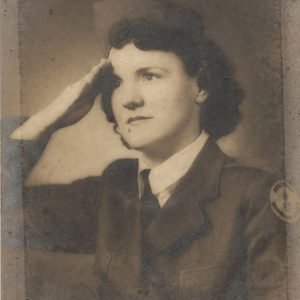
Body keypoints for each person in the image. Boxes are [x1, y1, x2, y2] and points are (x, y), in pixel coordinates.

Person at [11, 1, 288, 299]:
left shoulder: (255, 197)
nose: (129, 98)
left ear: (201, 85)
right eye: (116, 82)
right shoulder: (113, 188)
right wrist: (46, 121)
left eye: (149, 75)